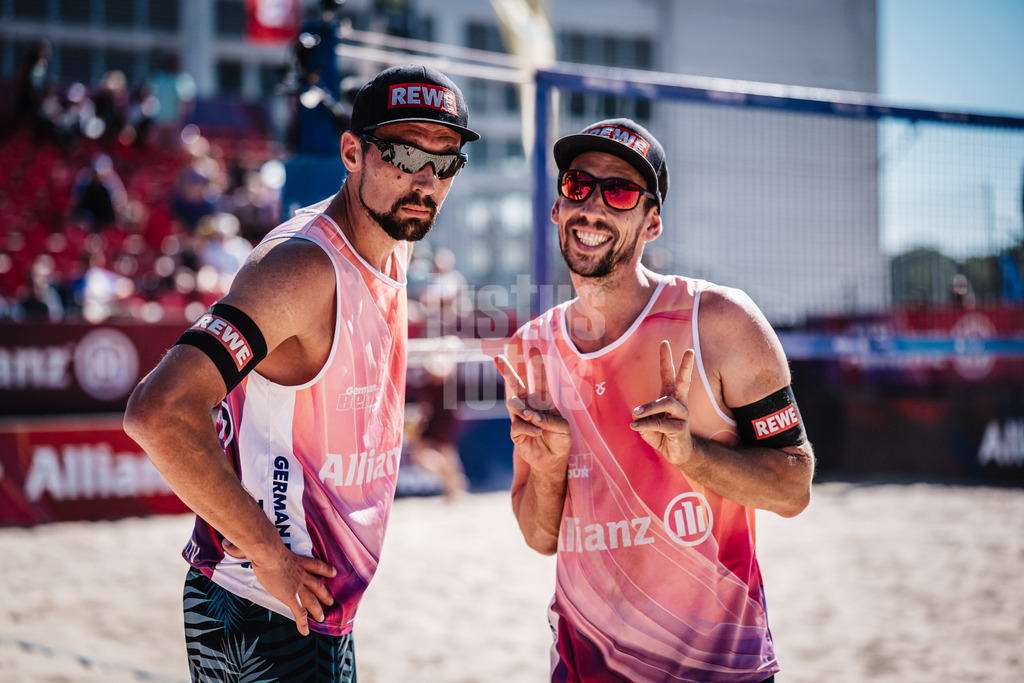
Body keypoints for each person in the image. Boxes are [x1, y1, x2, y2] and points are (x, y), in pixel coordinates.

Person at [123, 64, 478, 681]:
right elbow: (158, 410)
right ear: (351, 152)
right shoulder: (303, 271)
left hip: (316, 604)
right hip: (260, 602)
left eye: (446, 161)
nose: (426, 180)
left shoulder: (394, 238)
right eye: (403, 152)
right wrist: (263, 549)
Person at [494, 118, 814, 683]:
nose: (592, 206)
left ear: (652, 223)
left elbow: (794, 488)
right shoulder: (531, 350)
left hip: (718, 666)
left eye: (618, 192)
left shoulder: (719, 321)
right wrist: (548, 472)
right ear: (556, 209)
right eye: (577, 186)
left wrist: (692, 456)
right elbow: (540, 538)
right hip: (585, 664)